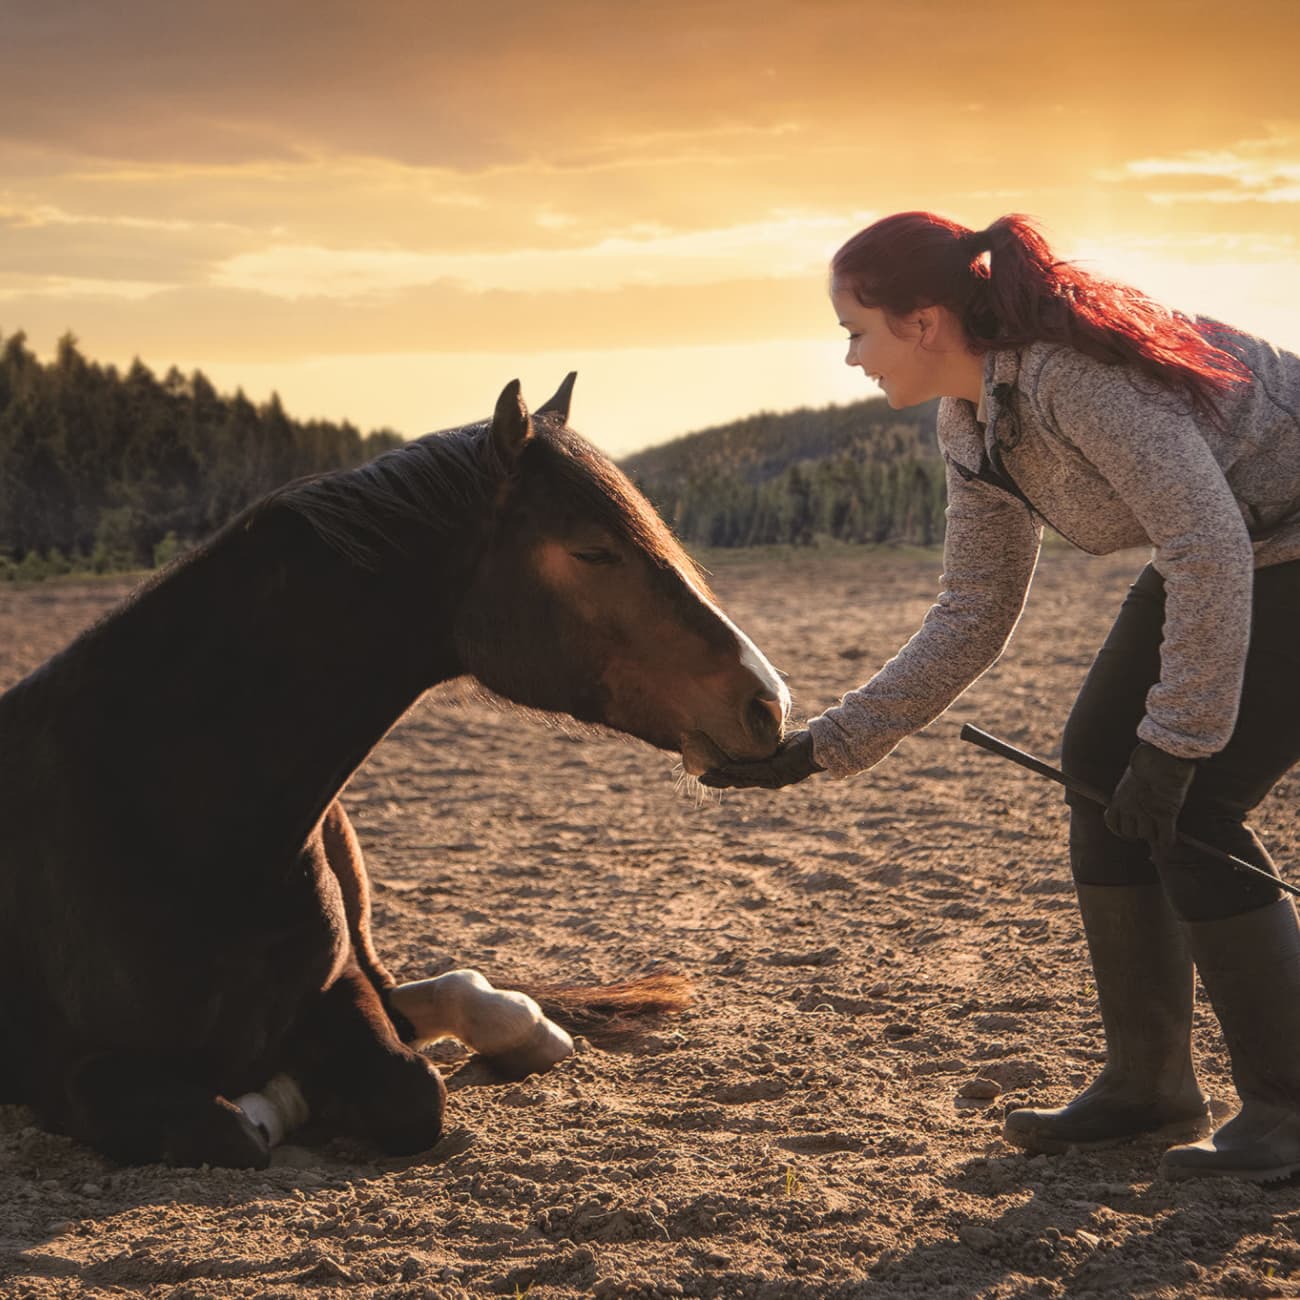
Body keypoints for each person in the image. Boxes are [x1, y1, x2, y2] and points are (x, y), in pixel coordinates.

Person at [701, 211, 1300, 1183]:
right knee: (1097, 765)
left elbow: (1206, 545)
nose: (848, 356)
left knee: (1192, 797)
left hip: (1266, 542)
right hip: (1240, 540)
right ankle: (1146, 1084)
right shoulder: (975, 422)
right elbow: (974, 605)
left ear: (924, 319)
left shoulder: (1074, 380)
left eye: (856, 328)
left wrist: (1178, 744)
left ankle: (1290, 1107)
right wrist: (826, 745)